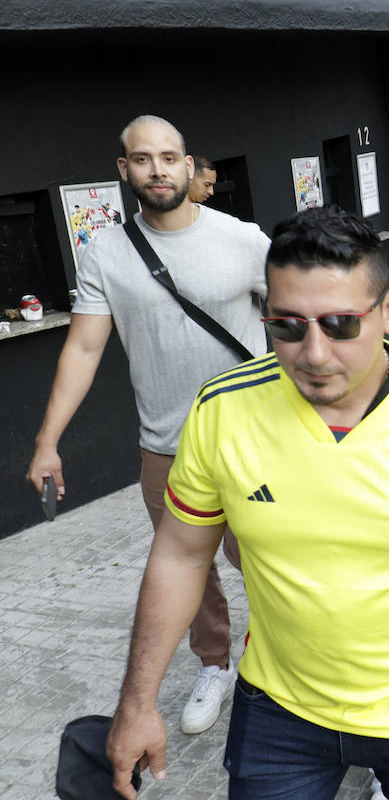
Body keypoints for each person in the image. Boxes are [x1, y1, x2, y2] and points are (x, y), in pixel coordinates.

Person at [104, 206, 389, 800]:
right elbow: (179, 556)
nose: (312, 353)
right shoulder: (223, 409)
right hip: (280, 711)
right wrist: (138, 702)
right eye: (286, 326)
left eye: (339, 324)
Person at [27, 114, 267, 738]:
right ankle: (215, 663)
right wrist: (47, 442)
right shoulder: (106, 252)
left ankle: (287, 658)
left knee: (273, 559)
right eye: (142, 159)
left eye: (168, 157)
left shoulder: (243, 240)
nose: (157, 169)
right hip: (164, 447)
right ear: (124, 171)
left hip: (252, 442)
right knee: (189, 568)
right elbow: (82, 350)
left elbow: (302, 321)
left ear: (190, 166)